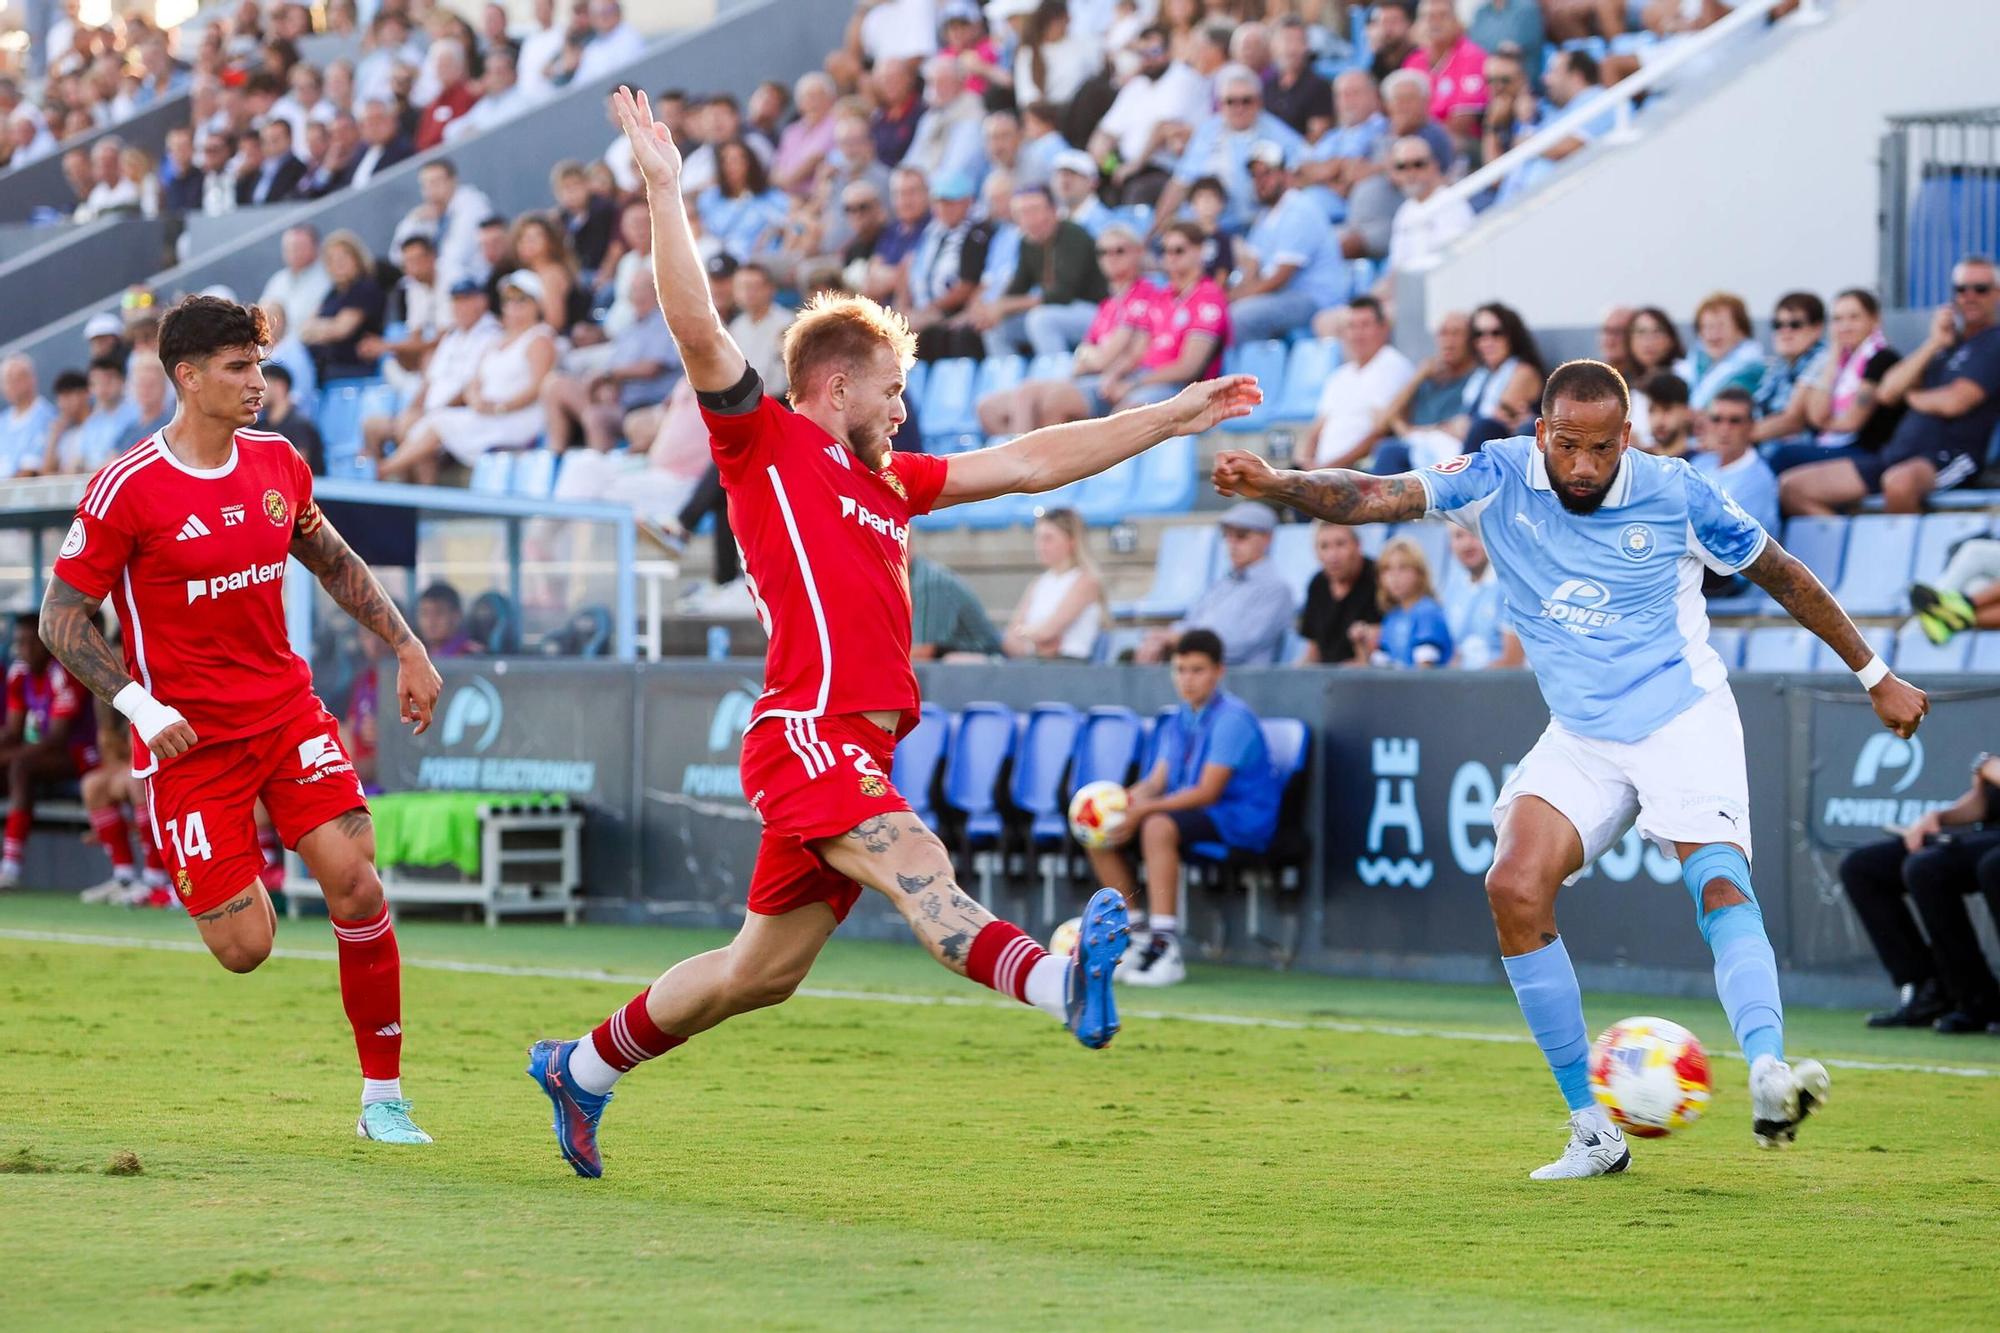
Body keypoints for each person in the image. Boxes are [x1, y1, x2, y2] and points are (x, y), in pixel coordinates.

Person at [524, 86, 1261, 1180]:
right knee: (918, 857)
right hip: (808, 728)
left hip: (853, 743)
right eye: (892, 388)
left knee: (757, 973)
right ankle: (1062, 985)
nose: (903, 409)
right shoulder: (765, 444)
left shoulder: (888, 482)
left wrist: (1166, 412)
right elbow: (694, 325)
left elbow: (1026, 461)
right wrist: (665, 190)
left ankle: (580, 1068)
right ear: (834, 387)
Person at [1213, 357, 1930, 1177]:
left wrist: (1876, 675)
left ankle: (1769, 1068)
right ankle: (1593, 1128)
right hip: (1584, 732)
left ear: (1627, 437)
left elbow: (1785, 577)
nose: (1583, 467)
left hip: (1680, 716)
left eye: (1600, 448)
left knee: (1720, 884)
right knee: (1512, 884)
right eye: (1566, 446)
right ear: (1539, 433)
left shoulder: (1678, 491)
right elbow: (1374, 496)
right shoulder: (1496, 474)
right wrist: (1279, 481)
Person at [40, 294, 443, 1143]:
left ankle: (384, 1099)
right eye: (237, 367)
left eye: (258, 364)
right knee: (246, 946)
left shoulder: (278, 462)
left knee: (357, 879)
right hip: (190, 743)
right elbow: (61, 618)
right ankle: (222, 859)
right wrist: (142, 707)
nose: (256, 382)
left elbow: (332, 560)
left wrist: (407, 646)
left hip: (286, 712)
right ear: (187, 377)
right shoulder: (127, 487)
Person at [1087, 628, 1277, 987]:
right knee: (1099, 827)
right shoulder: (1177, 718)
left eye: (1197, 670)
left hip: (1240, 819)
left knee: (1157, 825)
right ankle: (1136, 934)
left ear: (1219, 671)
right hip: (1194, 813)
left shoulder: (1232, 718)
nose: (1187, 680)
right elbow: (1156, 780)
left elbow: (1207, 792)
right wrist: (1121, 803)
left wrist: (1143, 811)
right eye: (1180, 670)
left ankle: (1165, 944)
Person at [1781, 256, 2000, 516]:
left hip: (1949, 458)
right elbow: (1887, 391)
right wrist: (1933, 342)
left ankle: (1901, 554)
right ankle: (1852, 551)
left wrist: (1912, 396)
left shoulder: (1993, 342)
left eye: (1980, 289)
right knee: (1792, 488)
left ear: (1996, 294)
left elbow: (1955, 402)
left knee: (1898, 482)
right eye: (1961, 289)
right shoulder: (1943, 346)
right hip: (1895, 456)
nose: (1970, 296)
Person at [1838, 756, 2000, 1035]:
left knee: (1986, 868)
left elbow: (1991, 770)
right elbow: (1986, 801)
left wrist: (1989, 767)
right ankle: (1935, 990)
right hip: (1987, 835)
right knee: (1865, 867)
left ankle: (1977, 1000)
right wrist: (1940, 817)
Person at [378, 270, 558, 483]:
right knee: (430, 423)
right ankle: (408, 489)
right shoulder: (498, 340)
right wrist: (477, 401)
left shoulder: (539, 339)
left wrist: (500, 408)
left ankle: (383, 471)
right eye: (509, 300)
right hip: (488, 414)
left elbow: (538, 387)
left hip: (516, 419)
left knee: (438, 423)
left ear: (536, 305)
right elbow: (474, 382)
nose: (514, 306)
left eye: (522, 300)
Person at [976, 224, 1154, 434]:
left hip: (1110, 382)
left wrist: (1093, 359)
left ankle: (1023, 460)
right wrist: (1092, 359)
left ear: (1138, 252)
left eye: (1119, 250)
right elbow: (1084, 354)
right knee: (988, 407)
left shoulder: (1145, 295)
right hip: (1089, 378)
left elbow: (1108, 358)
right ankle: (1019, 459)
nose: (1110, 257)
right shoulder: (1107, 305)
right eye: (1103, 252)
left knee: (1041, 397)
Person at [1075, 220, 1228, 416]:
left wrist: (1134, 383)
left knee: (1121, 418)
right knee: (1054, 401)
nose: (1170, 257)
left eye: (1178, 250)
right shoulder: (1161, 295)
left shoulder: (1209, 297)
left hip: (1178, 388)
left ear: (1199, 251)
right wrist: (1114, 376)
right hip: (1141, 379)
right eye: (1165, 250)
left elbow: (1188, 367)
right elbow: (1137, 351)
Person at [0, 613, 102, 889]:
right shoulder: (19, 675)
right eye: (19, 643)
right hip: (39, 754)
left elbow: (58, 738)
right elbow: (12, 731)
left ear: (47, 642)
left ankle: (10, 866)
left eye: (32, 642)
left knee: (20, 766)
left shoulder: (63, 671)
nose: (25, 650)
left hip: (78, 755)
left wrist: (12, 755)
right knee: (15, 765)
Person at [1137, 501, 1293, 667]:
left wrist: (1180, 639)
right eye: (1227, 535)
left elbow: (1237, 646)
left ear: (1267, 539)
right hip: (1202, 674)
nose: (1232, 544)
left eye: (1241, 536)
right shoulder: (1223, 584)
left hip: (1240, 681)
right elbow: (1191, 622)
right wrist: (1160, 638)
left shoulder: (1276, 590)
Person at [1771, 287, 1903, 475]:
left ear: (1874, 319)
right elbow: (1816, 414)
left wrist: (1825, 421)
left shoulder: (1882, 358)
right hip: (1841, 446)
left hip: (1868, 453)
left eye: (1854, 317)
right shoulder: (1842, 361)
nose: (1845, 326)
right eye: (1838, 319)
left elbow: (1851, 422)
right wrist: (1834, 354)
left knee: (1783, 455)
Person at [1231, 141, 1350, 343]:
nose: (1260, 181)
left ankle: (1247, 373)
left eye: (1267, 173)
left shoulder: (1299, 209)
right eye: (1255, 175)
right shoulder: (1265, 215)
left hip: (1314, 299)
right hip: (1285, 297)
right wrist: (1228, 296)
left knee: (1238, 316)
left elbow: (1280, 278)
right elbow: (1251, 267)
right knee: (1217, 314)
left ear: (1286, 174)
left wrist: (1236, 298)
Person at [972, 184, 1106, 360]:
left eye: (1033, 210)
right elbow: (1017, 288)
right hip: (1059, 310)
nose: (1028, 219)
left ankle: (1056, 379)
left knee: (1041, 319)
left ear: (1054, 210)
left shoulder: (1073, 235)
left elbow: (1062, 294)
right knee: (995, 325)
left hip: (1096, 312)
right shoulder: (1027, 243)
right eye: (1020, 213)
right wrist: (993, 309)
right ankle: (1009, 381)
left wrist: (1005, 305)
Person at [1305, 295, 1415, 469]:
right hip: (1323, 473)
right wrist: (1305, 462)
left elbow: (1381, 432)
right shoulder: (1339, 375)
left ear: (1384, 328)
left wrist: (1329, 468)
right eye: (1351, 326)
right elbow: (1317, 428)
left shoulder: (1392, 365)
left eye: (1365, 325)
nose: (1357, 334)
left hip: (1360, 472)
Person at [1369, 308, 1476, 473]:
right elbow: (1382, 422)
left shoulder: (1476, 379)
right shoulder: (1426, 379)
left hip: (1449, 462)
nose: (1448, 341)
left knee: (1388, 451)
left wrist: (1407, 430)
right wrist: (1418, 376)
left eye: (1457, 334)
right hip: (1416, 457)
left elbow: (1458, 428)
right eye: (1443, 334)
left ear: (1470, 340)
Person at [1002, 507, 1104, 660]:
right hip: (1034, 663)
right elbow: (1010, 638)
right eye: (1037, 538)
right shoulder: (1038, 583)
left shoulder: (1086, 581)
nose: (1040, 545)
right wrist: (1036, 639)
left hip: (1069, 667)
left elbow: (1048, 632)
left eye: (1048, 538)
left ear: (1071, 541)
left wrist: (1027, 634)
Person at [300, 230, 386, 384]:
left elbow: (341, 330)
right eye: (332, 260)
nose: (338, 264)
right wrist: (327, 329)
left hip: (353, 366)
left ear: (357, 259)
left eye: (343, 258)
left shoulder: (364, 288)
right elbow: (305, 329)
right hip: (323, 365)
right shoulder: (333, 292)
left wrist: (319, 330)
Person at [1695, 388, 1779, 538]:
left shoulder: (1759, 481)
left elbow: (1732, 540)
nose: (1724, 429)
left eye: (1735, 421)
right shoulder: (1699, 463)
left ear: (1751, 426)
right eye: (1716, 419)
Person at [1749, 292, 1829, 447]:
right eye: (1778, 325)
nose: (1785, 332)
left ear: (1817, 328)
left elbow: (1793, 421)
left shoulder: (1824, 360)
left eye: (1795, 325)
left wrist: (1733, 437)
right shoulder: (1780, 366)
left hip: (1801, 452)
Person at [1362, 534, 1452, 668]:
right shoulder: (1392, 617)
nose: (1394, 576)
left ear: (1419, 572)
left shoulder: (1427, 612)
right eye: (1387, 569)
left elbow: (1425, 670)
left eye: (1403, 567)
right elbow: (1379, 670)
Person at [1298, 521, 1381, 665]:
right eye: (1324, 546)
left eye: (1340, 544)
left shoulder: (1378, 578)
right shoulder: (1317, 584)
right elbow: (1313, 649)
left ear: (1357, 545)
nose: (1333, 555)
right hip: (1326, 677)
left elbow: (1376, 653)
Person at [1442, 524, 1523, 669]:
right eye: (1458, 536)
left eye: (1474, 533)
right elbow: (1457, 654)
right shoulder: (1453, 589)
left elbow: (1513, 662)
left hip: (1501, 687)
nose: (1467, 544)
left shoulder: (1511, 587)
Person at [1676, 291, 1765, 410]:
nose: (1712, 334)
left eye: (1720, 326)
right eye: (1707, 327)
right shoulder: (1694, 366)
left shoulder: (1750, 370)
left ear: (1741, 331)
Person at [910, 556, 1006, 660]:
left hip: (985, 660)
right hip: (947, 662)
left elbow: (921, 653)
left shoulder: (929, 583)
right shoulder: (903, 579)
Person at [258, 364, 324, 475]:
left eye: (264, 383)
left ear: (280, 386)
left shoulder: (300, 425)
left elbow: (298, 468)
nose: (258, 389)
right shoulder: (259, 426)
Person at [0, 355, 57, 478]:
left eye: (15, 379)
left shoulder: (47, 418)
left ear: (31, 380)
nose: (9, 386)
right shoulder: (2, 421)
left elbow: (29, 472)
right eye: (6, 381)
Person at [1640, 371, 1694, 459]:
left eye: (1667, 409)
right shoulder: (1637, 463)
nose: (1658, 419)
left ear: (1687, 412)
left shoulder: (1702, 464)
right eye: (1652, 410)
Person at [416, 583, 475, 658]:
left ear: (456, 616)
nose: (430, 622)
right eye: (425, 613)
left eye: (439, 613)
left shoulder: (471, 655)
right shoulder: (416, 654)